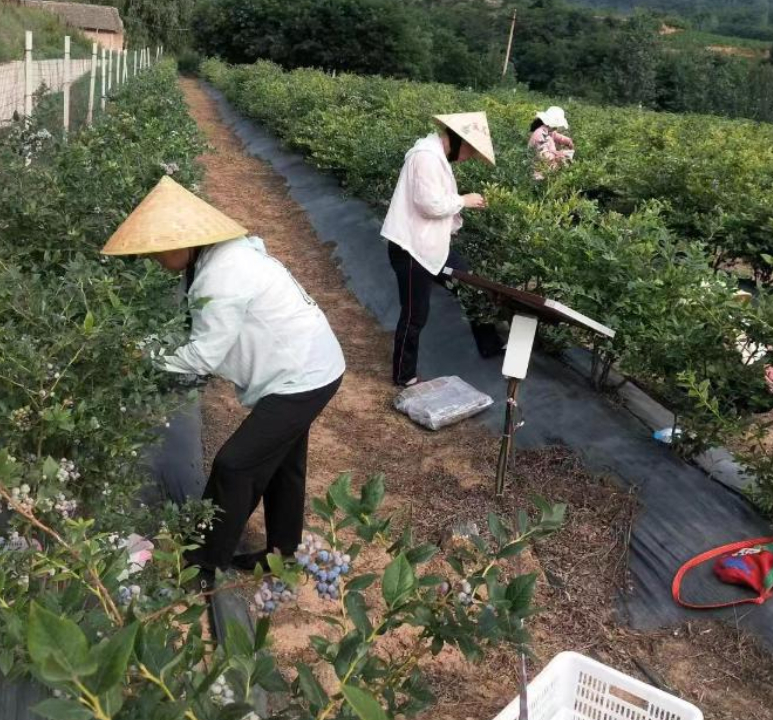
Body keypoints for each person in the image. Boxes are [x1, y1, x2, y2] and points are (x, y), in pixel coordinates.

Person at [102, 177, 345, 582]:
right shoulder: (214, 258)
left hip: (302, 378)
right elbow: (190, 329)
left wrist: (140, 353)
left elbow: (203, 354)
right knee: (285, 466)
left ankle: (201, 566)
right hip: (310, 365)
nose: (154, 260)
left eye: (157, 251)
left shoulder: (222, 275)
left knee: (234, 467)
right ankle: (281, 556)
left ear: (183, 240)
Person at [381, 112, 505, 387]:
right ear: (459, 141)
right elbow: (429, 204)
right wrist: (464, 200)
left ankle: (491, 346)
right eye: (471, 151)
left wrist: (459, 206)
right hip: (412, 249)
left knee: (472, 287)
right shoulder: (424, 156)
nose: (468, 157)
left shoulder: (435, 156)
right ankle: (404, 375)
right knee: (415, 313)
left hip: (432, 246)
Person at [529, 106, 575, 175]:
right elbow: (544, 156)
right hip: (539, 170)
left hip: (547, 165)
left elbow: (556, 136)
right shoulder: (540, 134)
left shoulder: (547, 130)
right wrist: (559, 155)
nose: (556, 128)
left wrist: (568, 141)